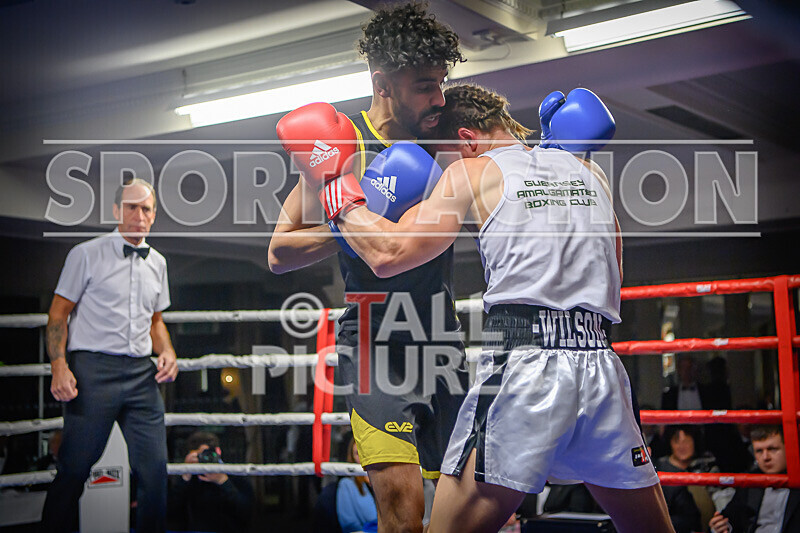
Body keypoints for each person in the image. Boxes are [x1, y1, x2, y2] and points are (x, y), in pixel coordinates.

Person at [314, 83, 674, 532]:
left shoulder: (470, 172)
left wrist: (335, 187)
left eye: (444, 158)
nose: (439, 172)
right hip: (601, 367)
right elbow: (613, 269)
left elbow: (388, 255)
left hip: (524, 368)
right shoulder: (588, 170)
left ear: (466, 139)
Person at [270, 4, 468, 532]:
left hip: (439, 335)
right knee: (404, 519)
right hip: (374, 340)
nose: (438, 98)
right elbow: (278, 252)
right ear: (382, 82)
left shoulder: (445, 137)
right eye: (425, 85)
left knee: (464, 517)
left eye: (441, 83)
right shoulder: (343, 145)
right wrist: (355, 216)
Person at [40, 177, 178, 533]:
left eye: (146, 208)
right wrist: (59, 366)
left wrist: (167, 351)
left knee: (154, 472)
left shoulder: (158, 263)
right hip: (93, 372)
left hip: (141, 377)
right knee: (73, 469)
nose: (139, 214)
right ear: (117, 210)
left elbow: (156, 321)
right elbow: (59, 313)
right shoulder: (86, 254)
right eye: (131, 206)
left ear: (154, 216)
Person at [709, 425, 800, 533]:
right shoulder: (751, 481)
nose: (766, 457)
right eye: (759, 451)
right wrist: (721, 526)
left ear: (789, 448)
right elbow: (728, 518)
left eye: (772, 449)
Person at [167, 431, 253, 533]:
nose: (205, 459)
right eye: (200, 456)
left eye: (208, 454)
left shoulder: (235, 473)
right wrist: (185, 476)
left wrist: (224, 482)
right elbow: (169, 513)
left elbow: (247, 513)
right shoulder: (186, 477)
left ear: (218, 452)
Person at [655, 426, 705, 533]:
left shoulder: (707, 464)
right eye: (677, 441)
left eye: (686, 441)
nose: (682, 446)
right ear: (670, 443)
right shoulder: (659, 467)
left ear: (694, 441)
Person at [336, 436, 378, 533]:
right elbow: (349, 525)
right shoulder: (347, 485)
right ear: (353, 457)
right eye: (357, 454)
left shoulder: (385, 480)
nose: (362, 458)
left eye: (365, 452)